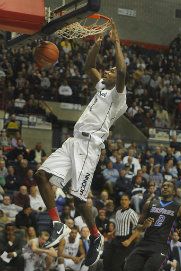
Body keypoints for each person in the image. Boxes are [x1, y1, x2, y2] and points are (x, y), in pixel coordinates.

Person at [35, 20, 127, 267]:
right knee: (41, 175)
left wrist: (116, 42)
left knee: (78, 198)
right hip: (73, 142)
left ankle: (96, 237)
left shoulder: (118, 96)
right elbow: (89, 66)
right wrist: (97, 41)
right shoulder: (102, 89)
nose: (106, 71)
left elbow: (122, 71)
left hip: (89, 148)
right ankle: (57, 223)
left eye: (110, 70)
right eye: (106, 70)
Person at [124, 181, 181, 271]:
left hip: (161, 246)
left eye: (169, 186)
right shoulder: (149, 204)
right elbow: (137, 227)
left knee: (149, 269)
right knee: (128, 267)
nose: (165, 187)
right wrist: (144, 226)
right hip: (144, 242)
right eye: (163, 186)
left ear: (174, 192)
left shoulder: (180, 208)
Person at [103, 194, 138, 271]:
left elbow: (138, 229)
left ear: (129, 201)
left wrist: (129, 240)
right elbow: (119, 225)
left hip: (125, 240)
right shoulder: (118, 212)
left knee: (115, 265)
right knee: (106, 259)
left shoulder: (132, 213)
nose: (123, 201)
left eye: (126, 200)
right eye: (122, 199)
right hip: (116, 239)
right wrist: (112, 232)